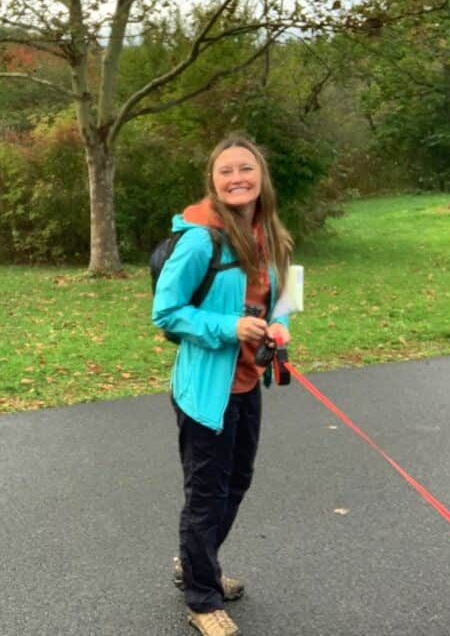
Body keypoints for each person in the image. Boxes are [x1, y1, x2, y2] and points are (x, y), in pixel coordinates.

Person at [152, 135, 293, 636]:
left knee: (236, 483)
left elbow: (279, 299)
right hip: (204, 390)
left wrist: (279, 327)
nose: (237, 178)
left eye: (245, 168)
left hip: (247, 381)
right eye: (225, 171)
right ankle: (202, 598)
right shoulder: (199, 239)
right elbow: (165, 312)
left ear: (261, 175)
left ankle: (196, 562)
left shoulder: (269, 231)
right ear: (212, 180)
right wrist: (229, 328)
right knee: (207, 495)